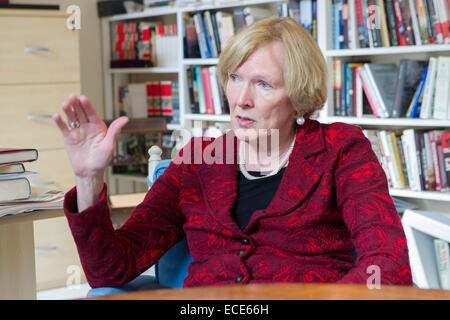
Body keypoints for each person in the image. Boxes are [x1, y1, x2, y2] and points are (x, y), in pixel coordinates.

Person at [53, 16, 412, 288]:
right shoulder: (196, 161)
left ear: (298, 95)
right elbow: (111, 268)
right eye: (235, 78)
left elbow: (387, 263)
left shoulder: (340, 150)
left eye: (263, 84)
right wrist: (88, 178)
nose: (241, 99)